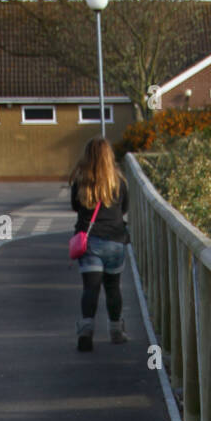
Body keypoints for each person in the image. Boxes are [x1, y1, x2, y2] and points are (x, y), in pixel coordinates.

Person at [69, 137, 130, 351]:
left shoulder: (81, 181)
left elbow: (75, 207)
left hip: (89, 241)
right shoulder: (119, 182)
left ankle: (86, 330)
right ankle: (116, 331)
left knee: (90, 288)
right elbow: (124, 209)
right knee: (113, 288)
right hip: (115, 240)